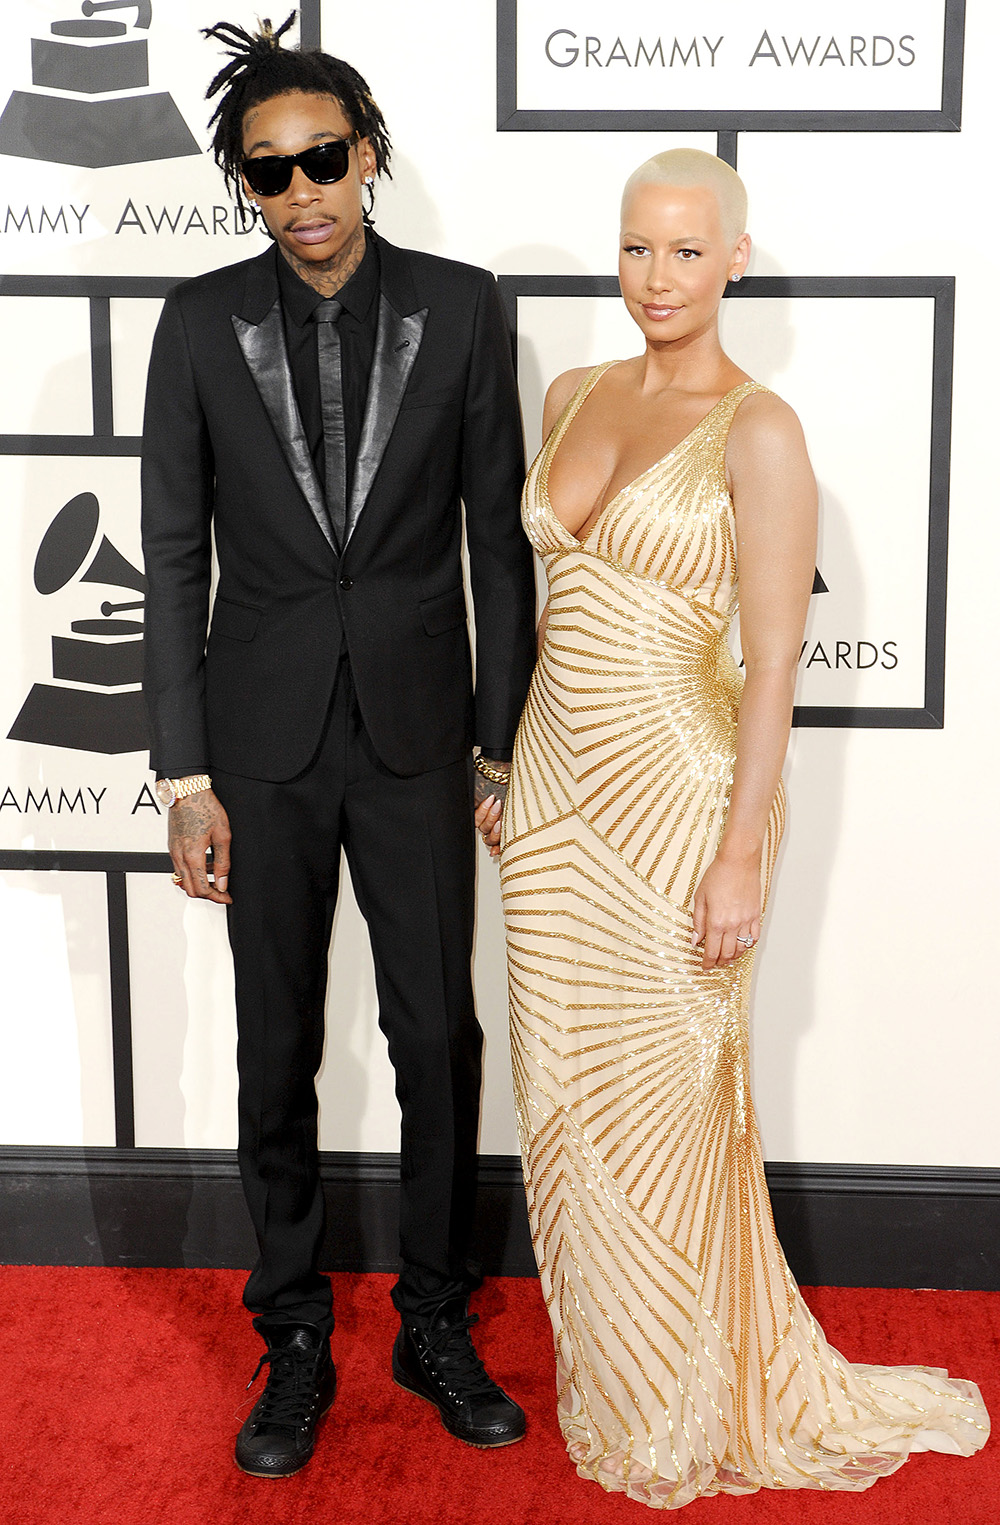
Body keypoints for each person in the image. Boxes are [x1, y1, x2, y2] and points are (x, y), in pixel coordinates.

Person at [479, 148, 989, 1506]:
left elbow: (773, 665)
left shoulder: (762, 431)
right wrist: (505, 773)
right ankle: (613, 1366)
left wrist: (742, 846)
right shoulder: (570, 391)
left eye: (687, 252)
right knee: (567, 1106)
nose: (656, 276)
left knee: (665, 1109)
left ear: (738, 260)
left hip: (676, 810)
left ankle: (679, 1392)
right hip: (550, 805)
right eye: (637, 248)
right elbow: (548, 616)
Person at [141, 14, 535, 1478]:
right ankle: (294, 1331)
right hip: (262, 743)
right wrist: (186, 774)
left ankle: (437, 1315)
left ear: (367, 155)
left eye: (323, 158)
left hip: (425, 734)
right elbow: (172, 553)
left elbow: (499, 543)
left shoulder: (468, 306)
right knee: (274, 1046)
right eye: (269, 171)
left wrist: (500, 744)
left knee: (435, 1036)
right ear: (243, 183)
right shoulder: (195, 323)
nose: (301, 190)